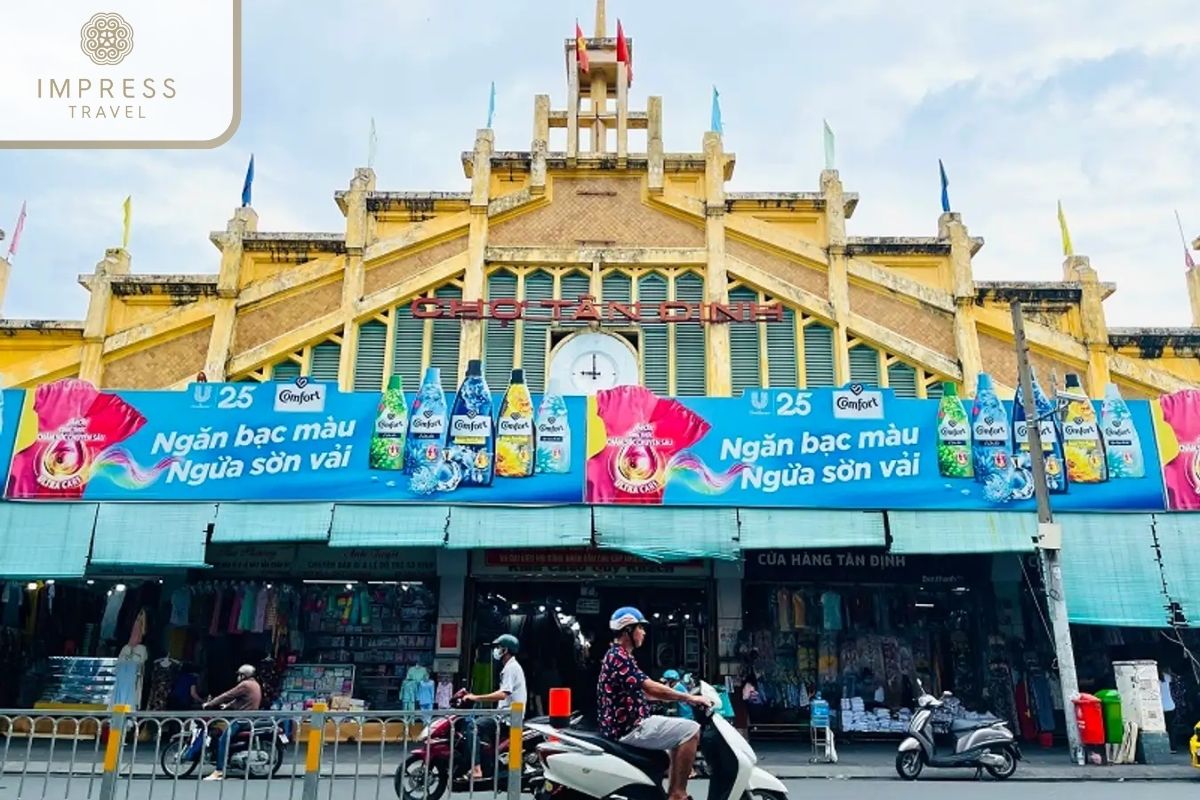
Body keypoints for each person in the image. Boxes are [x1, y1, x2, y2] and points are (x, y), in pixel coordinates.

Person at [597, 608, 712, 800]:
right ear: (627, 630)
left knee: (680, 732)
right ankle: (677, 793)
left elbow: (646, 693)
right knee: (691, 730)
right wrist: (690, 698)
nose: (643, 632)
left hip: (628, 725)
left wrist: (674, 695)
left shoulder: (621, 656)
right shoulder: (619, 657)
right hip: (631, 728)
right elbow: (650, 688)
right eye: (640, 627)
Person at [464, 634, 527, 780]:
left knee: (473, 726)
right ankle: (488, 766)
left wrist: (476, 697)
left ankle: (476, 769)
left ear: (505, 650)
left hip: (508, 718)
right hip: (506, 715)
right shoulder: (511, 667)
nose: (496, 650)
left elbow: (503, 694)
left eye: (498, 647)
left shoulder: (511, 668)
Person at [202, 664, 263, 781]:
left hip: (241, 719)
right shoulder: (254, 684)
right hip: (248, 717)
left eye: (239, 675)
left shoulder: (245, 685)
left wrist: (210, 704)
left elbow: (228, 695)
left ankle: (219, 771)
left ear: (243, 675)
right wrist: (227, 706)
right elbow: (239, 700)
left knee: (223, 740)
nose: (237, 677)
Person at [1161, 667, 1177, 753]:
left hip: (1161, 707)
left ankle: (1165, 747)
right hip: (1171, 706)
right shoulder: (1168, 677)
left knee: (1164, 728)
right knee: (1171, 728)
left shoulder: (1155, 679)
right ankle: (1173, 747)